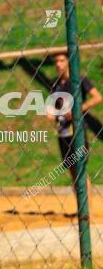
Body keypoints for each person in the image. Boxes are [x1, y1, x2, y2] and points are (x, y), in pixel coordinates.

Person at [48, 52, 102, 200]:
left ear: (68, 62)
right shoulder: (55, 84)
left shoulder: (79, 80)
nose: (58, 64)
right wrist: (50, 113)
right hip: (63, 132)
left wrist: (78, 110)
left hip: (77, 131)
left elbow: (97, 97)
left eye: (61, 60)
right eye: (56, 61)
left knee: (81, 169)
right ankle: (81, 206)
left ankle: (87, 208)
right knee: (72, 170)